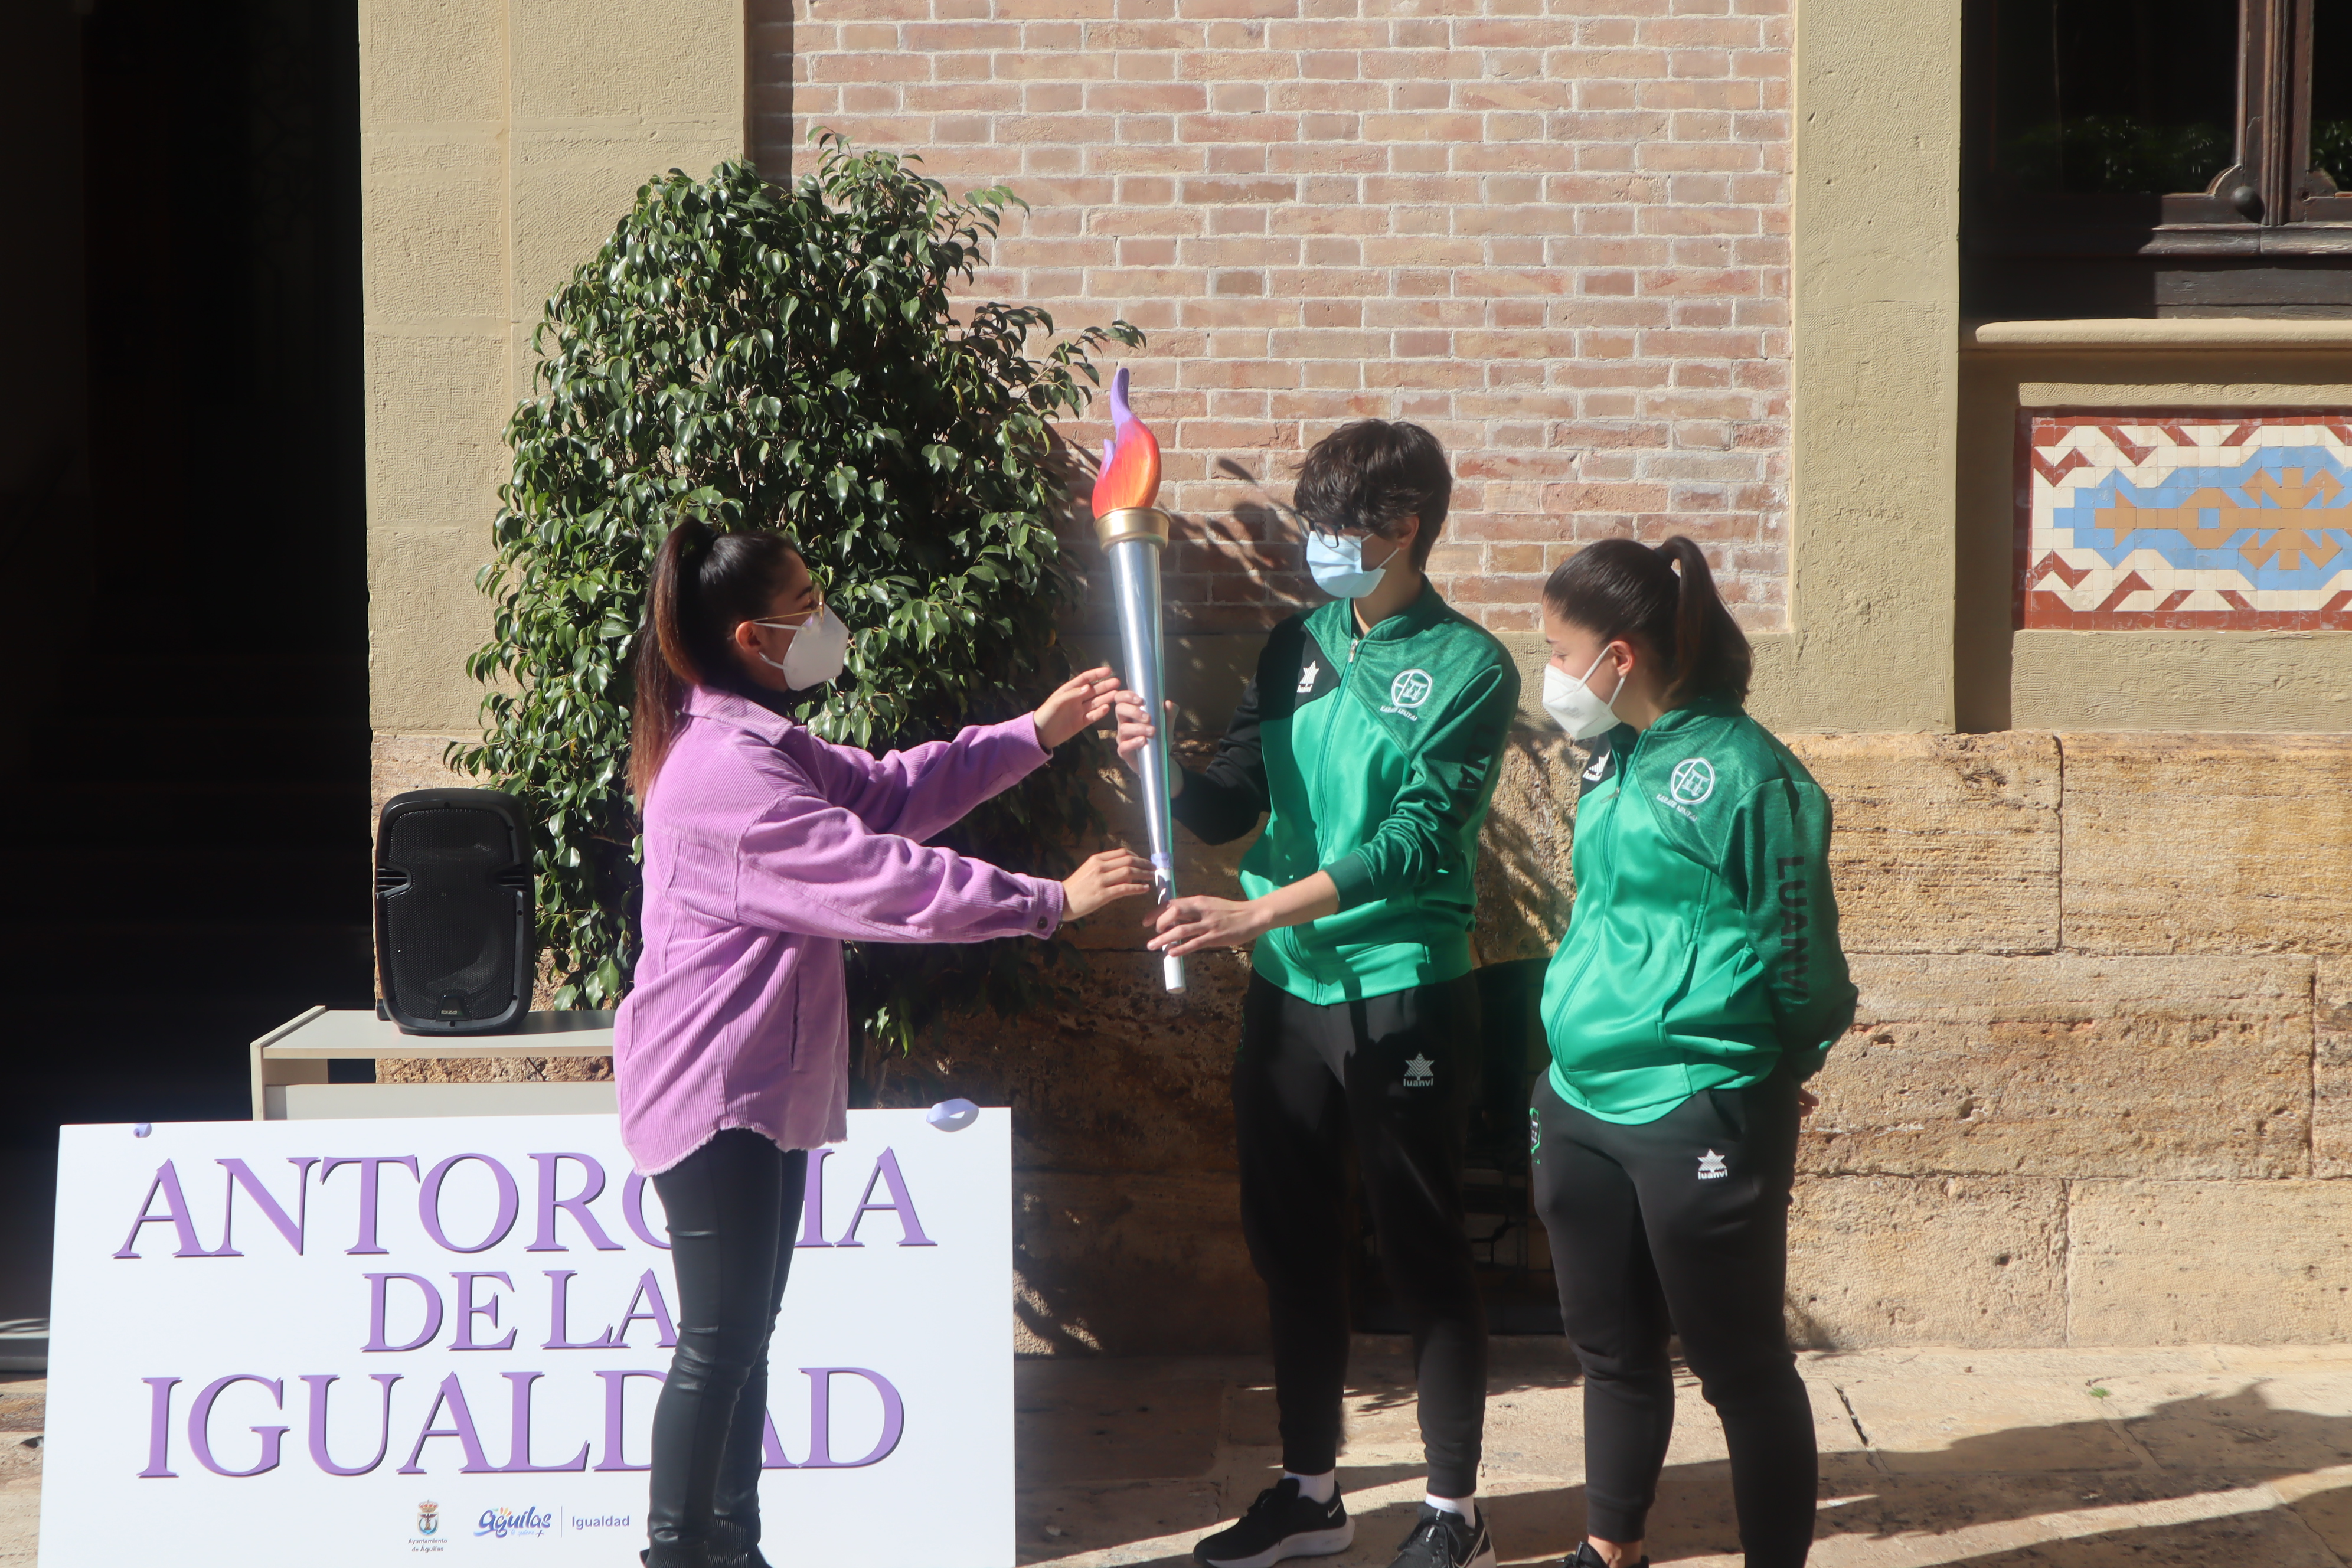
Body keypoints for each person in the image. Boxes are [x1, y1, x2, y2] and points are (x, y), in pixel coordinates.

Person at [613, 517, 1154, 1568]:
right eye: (806, 605)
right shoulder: (725, 772)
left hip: (762, 1085)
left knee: (743, 1338)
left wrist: (1035, 732)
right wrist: (1050, 899)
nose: (828, 619)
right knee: (716, 1342)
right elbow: (884, 880)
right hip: (713, 1088)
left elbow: (894, 793)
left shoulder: (763, 742)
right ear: (750, 639)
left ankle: (733, 1546)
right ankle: (677, 1555)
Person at [1117, 421, 1519, 1568]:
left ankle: (1454, 1508)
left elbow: (1412, 843)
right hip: (1291, 995)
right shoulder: (1295, 646)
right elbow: (1227, 804)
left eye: (1339, 530)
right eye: (1312, 525)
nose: (1320, 548)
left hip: (1401, 991)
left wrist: (1253, 914)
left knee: (1422, 1242)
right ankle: (1311, 1490)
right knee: (1293, 1244)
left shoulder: (1470, 668)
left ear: (1405, 530)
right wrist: (1151, 761)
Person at [1527, 537, 1856, 1568]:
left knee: (1742, 1367)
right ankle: (1609, 1550)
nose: (1548, 671)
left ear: (1619, 656)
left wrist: (1765, 1068)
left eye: (1557, 649)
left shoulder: (1751, 776)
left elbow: (1801, 957)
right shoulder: (1611, 756)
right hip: (1579, 1099)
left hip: (1697, 1105)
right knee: (1611, 1354)